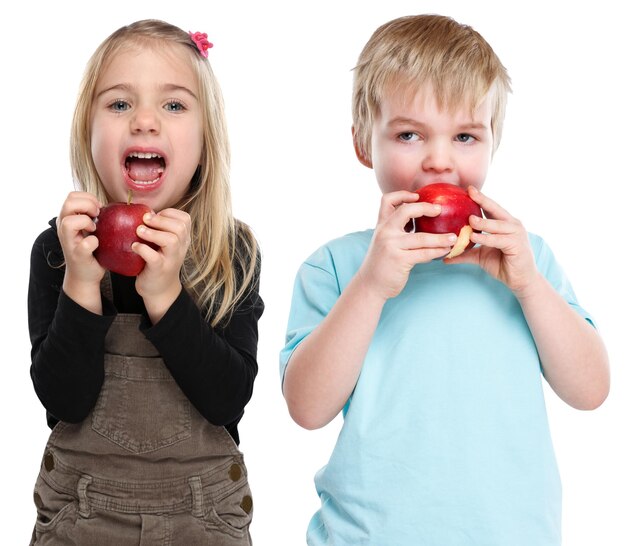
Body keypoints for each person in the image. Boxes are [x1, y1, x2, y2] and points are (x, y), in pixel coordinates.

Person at [279, 14, 609, 545]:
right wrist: (371, 286)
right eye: (408, 134)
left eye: (465, 136)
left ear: (492, 143)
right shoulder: (338, 267)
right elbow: (308, 409)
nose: (439, 160)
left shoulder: (526, 260)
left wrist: (528, 286)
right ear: (365, 145)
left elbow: (591, 390)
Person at [28, 19, 263, 545]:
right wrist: (81, 286)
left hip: (204, 516)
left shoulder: (231, 253)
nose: (145, 122)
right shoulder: (57, 251)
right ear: (87, 134)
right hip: (80, 515)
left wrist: (166, 295)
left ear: (205, 141)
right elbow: (62, 402)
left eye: (174, 105)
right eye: (118, 104)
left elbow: (227, 401)